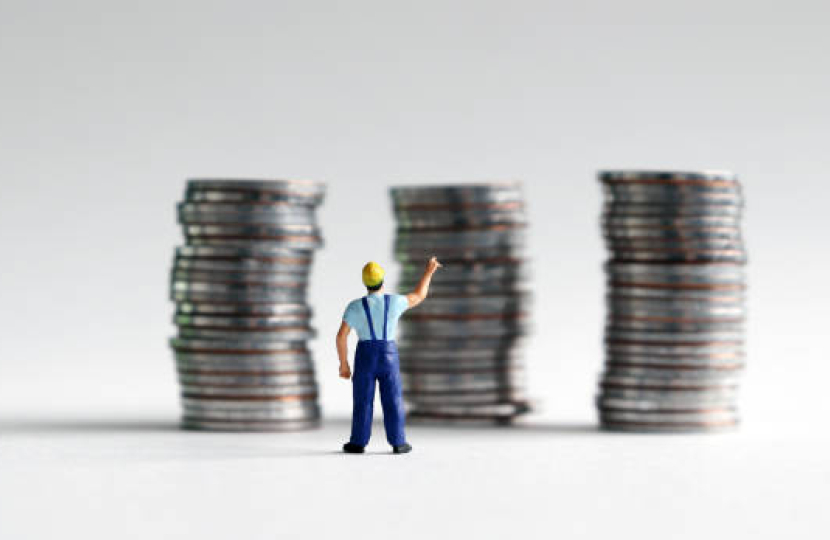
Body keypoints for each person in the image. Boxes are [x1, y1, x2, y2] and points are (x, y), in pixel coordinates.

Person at [336, 257, 442, 454]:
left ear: (364, 282)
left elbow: (341, 336)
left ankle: (358, 442)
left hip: (365, 356)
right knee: (393, 399)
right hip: (388, 355)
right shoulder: (395, 302)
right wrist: (428, 272)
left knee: (362, 401)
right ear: (383, 281)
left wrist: (344, 364)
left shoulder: (354, 306)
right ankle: (398, 442)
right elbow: (419, 296)